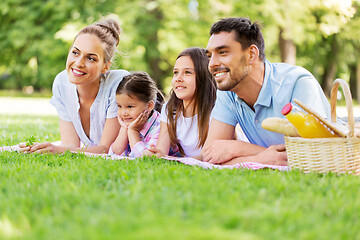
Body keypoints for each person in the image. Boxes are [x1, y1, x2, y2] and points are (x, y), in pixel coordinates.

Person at [202, 17, 331, 166]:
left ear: (251, 54)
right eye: (210, 56)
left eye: (223, 52)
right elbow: (211, 156)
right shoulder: (228, 92)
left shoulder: (297, 82)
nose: (212, 64)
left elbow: (312, 154)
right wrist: (260, 158)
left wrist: (236, 148)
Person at [19, 18, 129, 154]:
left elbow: (107, 150)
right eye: (75, 53)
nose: (78, 63)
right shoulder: (62, 83)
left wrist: (57, 150)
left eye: (90, 58)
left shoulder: (119, 84)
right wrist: (48, 149)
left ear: (105, 66)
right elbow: (70, 146)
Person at [146, 47, 217, 158]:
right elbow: (161, 150)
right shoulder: (169, 109)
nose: (178, 78)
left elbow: (206, 157)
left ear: (204, 77)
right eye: (175, 72)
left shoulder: (216, 111)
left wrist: (172, 159)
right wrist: (155, 154)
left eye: (187, 72)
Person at [108, 71, 165, 157]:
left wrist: (132, 131)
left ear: (149, 106)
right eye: (119, 106)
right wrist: (125, 129)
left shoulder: (160, 126)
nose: (123, 113)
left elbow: (148, 158)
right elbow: (114, 153)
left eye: (130, 107)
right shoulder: (129, 122)